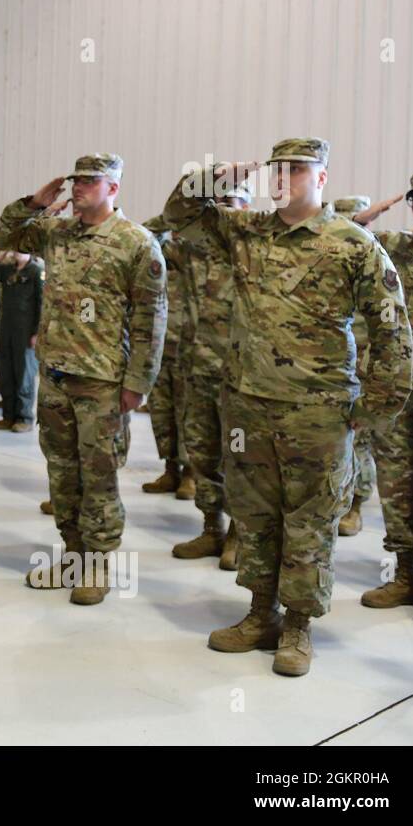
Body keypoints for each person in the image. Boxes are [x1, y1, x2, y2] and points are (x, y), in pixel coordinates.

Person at [161, 139, 412, 676]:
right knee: (254, 517)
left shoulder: (353, 245)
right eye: (277, 169)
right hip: (248, 406)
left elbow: (392, 329)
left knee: (310, 521)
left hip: (318, 413)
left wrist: (374, 410)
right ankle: (260, 613)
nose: (284, 178)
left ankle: (298, 624)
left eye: (297, 169)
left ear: (322, 178)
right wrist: (218, 175)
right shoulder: (245, 233)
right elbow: (179, 214)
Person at [0, 154, 166, 602]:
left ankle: (100, 565)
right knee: (62, 475)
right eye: (76, 181)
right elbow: (3, 236)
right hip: (55, 376)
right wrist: (35, 202)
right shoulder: (57, 232)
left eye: (91, 181)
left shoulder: (136, 242)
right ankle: (74, 555)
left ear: (114, 188)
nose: (79, 188)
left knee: (100, 477)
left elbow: (151, 319)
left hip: (102, 381)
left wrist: (138, 383)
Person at [352, 172, 413, 623]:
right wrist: (382, 205)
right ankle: (405, 573)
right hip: (399, 391)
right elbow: (347, 226)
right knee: (397, 486)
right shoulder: (399, 248)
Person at [170, 181, 252, 567]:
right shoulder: (193, 250)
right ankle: (211, 528)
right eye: (218, 204)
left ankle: (239, 533)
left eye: (233, 203)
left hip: (241, 378)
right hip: (198, 368)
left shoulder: (256, 252)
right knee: (203, 454)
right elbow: (169, 215)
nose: (224, 212)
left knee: (239, 457)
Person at [331, 195, 377, 537]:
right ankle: (340, 501)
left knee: (361, 439)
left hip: (367, 364)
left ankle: (356, 504)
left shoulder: (377, 257)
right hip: (338, 367)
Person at [140, 217, 192, 499]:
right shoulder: (162, 254)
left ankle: (191, 474)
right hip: (161, 348)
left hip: (190, 351)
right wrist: (173, 215)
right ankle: (171, 469)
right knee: (163, 414)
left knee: (189, 416)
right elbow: (146, 232)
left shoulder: (199, 258)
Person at [0, 249, 43, 432]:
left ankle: (24, 417)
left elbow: (41, 302)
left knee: (24, 375)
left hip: (26, 330)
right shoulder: (8, 270)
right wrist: (3, 253)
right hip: (7, 327)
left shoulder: (36, 271)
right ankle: (8, 416)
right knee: (6, 373)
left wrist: (37, 332)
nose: (18, 252)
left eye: (22, 249)